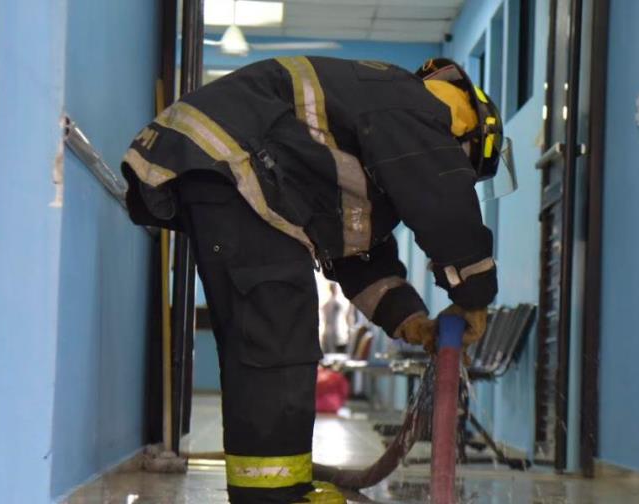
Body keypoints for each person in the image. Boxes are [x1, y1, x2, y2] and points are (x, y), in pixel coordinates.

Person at [121, 57, 512, 504]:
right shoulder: (419, 108)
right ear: (469, 140)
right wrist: (474, 295)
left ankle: (276, 490)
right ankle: (275, 498)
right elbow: (446, 206)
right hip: (234, 161)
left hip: (230, 168)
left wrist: (411, 320)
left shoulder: (369, 126)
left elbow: (361, 258)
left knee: (266, 335)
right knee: (279, 330)